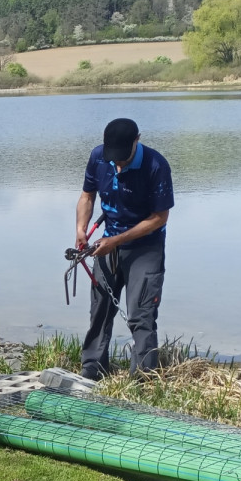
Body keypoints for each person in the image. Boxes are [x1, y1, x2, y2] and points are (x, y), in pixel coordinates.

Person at [75, 117, 174, 380]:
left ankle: (142, 378)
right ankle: (93, 369)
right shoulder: (98, 157)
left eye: (123, 157)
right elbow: (87, 196)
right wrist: (81, 228)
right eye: (114, 156)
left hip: (146, 247)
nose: (118, 163)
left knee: (141, 314)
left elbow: (159, 218)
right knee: (100, 309)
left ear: (136, 141)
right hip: (106, 243)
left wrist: (116, 241)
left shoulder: (156, 165)